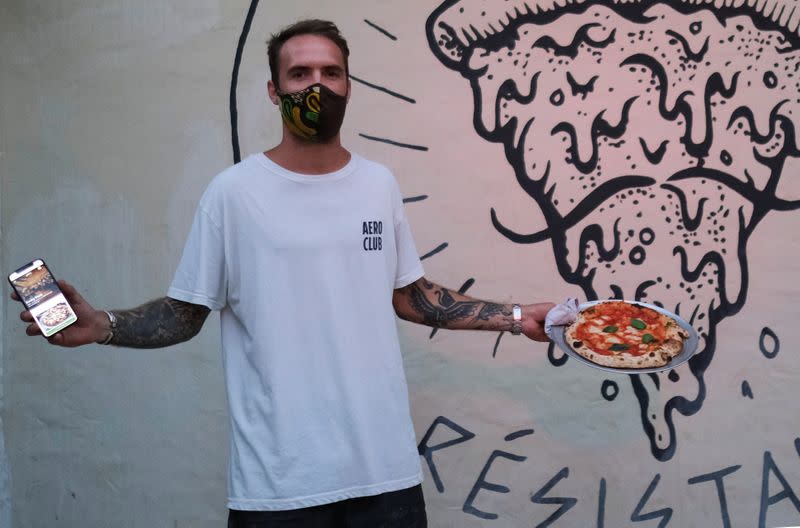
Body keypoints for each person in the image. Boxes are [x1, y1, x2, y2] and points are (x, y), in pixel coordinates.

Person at [12, 19, 555, 527]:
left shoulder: (378, 186)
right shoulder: (232, 195)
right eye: (299, 74)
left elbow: (411, 296)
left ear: (349, 86)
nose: (316, 86)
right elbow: (185, 313)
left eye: (330, 72)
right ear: (274, 91)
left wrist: (515, 317)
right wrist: (102, 324)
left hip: (386, 478)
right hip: (279, 485)